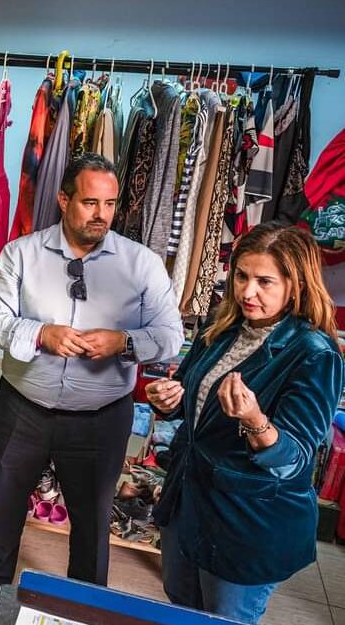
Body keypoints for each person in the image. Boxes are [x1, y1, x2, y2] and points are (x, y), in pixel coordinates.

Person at [0, 153, 185, 621]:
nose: (101, 214)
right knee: (3, 505)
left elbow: (170, 335)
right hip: (25, 407)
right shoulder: (20, 253)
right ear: (63, 200)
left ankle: (83, 608)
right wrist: (40, 334)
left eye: (109, 203)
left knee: (92, 521)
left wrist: (124, 341)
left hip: (101, 418)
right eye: (89, 202)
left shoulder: (140, 264)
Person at [147, 222, 343, 624]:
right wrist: (166, 401)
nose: (247, 291)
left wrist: (254, 420)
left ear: (296, 285)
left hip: (246, 525)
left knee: (223, 619)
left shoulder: (313, 354)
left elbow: (295, 461)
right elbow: (190, 401)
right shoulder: (222, 328)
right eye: (241, 276)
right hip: (189, 504)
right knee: (179, 609)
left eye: (264, 281)